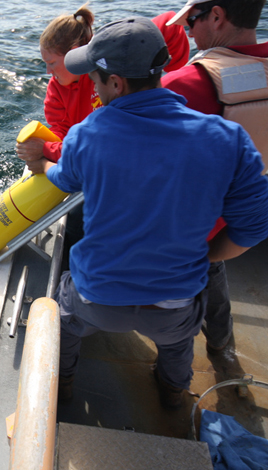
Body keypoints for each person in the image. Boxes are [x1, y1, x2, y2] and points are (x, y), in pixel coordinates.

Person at [25, 17, 268, 409]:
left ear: (116, 83)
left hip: (97, 299)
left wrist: (40, 166)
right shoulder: (227, 138)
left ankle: (65, 382)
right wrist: (204, 257)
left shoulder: (89, 134)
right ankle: (174, 392)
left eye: (97, 79)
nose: (96, 89)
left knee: (64, 318)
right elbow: (253, 227)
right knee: (178, 343)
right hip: (173, 305)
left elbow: (64, 179)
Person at [16, 6, 190, 261]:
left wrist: (172, 63)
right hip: (102, 160)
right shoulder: (57, 90)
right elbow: (66, 137)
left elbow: (168, 23)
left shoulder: (109, 70)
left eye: (52, 63)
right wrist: (49, 147)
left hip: (115, 156)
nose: (48, 72)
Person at [162, 0, 268, 354]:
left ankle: (172, 379)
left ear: (218, 16)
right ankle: (222, 349)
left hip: (180, 234)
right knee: (214, 280)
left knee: (172, 320)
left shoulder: (179, 85)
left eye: (192, 20)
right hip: (234, 227)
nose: (188, 31)